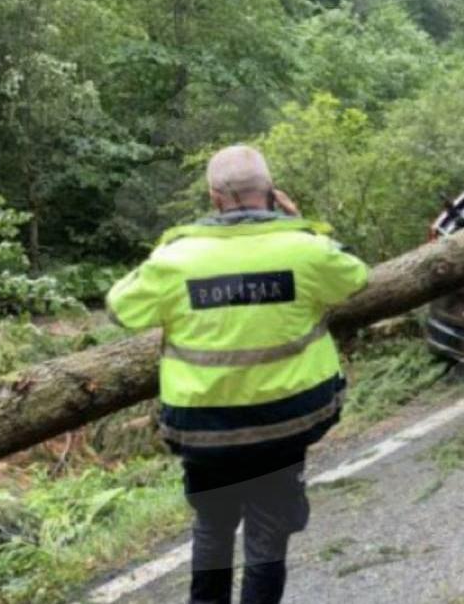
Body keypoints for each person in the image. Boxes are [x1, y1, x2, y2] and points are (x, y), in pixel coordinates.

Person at [106, 146, 369, 604]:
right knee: (267, 541)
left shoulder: (175, 258)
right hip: (285, 425)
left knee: (213, 527)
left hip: (204, 431)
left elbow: (119, 308)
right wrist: (298, 223)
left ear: (214, 198)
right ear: (271, 192)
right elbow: (355, 276)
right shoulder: (305, 248)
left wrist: (166, 257)